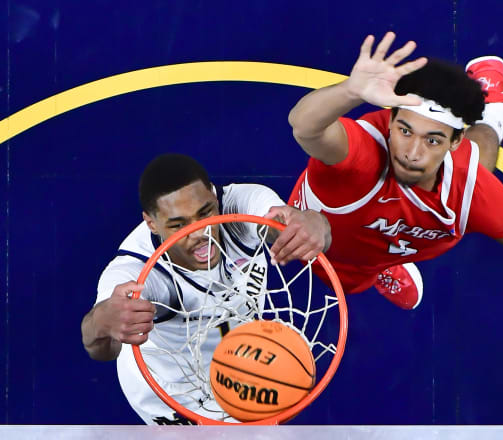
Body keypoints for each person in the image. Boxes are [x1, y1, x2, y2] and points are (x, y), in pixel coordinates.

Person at [283, 32, 503, 424]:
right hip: (328, 241)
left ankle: (496, 111)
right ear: (390, 120)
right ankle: (493, 113)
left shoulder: (466, 181)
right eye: (404, 131)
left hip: (390, 238)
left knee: (479, 164)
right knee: (471, 171)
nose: (412, 152)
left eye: (433, 139)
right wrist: (351, 91)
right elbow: (304, 126)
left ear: (454, 142)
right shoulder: (359, 155)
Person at [81, 153, 331, 425]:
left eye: (205, 213)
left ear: (213, 195)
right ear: (151, 223)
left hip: (244, 370)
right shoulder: (138, 271)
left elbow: (283, 225)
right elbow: (100, 348)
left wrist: (313, 223)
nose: (199, 233)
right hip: (173, 392)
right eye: (178, 225)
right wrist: (103, 322)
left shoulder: (241, 206)